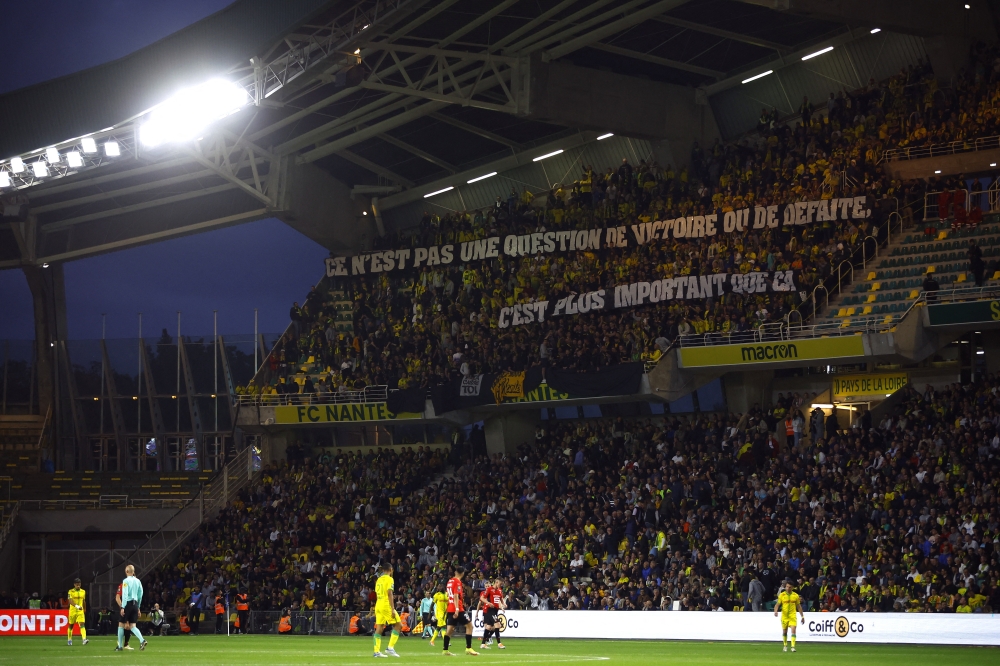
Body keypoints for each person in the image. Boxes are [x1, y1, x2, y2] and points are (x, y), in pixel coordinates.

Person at [443, 566, 478, 656]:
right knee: (470, 626)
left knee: (450, 630)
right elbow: (455, 595)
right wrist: (457, 609)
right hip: (457, 608)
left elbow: (448, 595)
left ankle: (445, 650)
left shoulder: (449, 581)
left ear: (455, 572)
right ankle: (468, 648)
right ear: (462, 573)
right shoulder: (457, 582)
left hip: (450, 608)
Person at [372, 561, 403, 658]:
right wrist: (393, 609)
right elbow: (390, 593)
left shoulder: (379, 579)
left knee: (379, 628)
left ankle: (376, 652)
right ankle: (390, 648)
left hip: (378, 604)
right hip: (386, 604)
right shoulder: (389, 579)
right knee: (399, 625)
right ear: (390, 570)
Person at [117, 564, 147, 652]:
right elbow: (140, 594)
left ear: (126, 571)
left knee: (121, 625)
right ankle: (142, 640)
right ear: (133, 572)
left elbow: (125, 594)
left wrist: (123, 607)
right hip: (135, 604)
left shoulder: (125, 581)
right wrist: (138, 607)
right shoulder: (138, 581)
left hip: (128, 604)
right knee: (133, 626)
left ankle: (120, 646)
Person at [774, 580, 805, 652]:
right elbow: (777, 604)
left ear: (792, 588)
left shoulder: (796, 596)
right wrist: (775, 611)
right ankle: (785, 645)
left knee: (793, 630)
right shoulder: (782, 595)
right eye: (787, 587)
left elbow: (799, 606)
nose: (788, 588)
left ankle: (793, 647)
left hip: (792, 615)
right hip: (784, 616)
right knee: (785, 632)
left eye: (790, 587)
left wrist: (802, 616)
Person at [478, 579, 506, 650]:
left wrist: (503, 604)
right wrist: (488, 603)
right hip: (489, 610)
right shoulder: (489, 589)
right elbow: (482, 598)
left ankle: (483, 644)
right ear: (496, 582)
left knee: (488, 627)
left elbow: (500, 599)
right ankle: (499, 644)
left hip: (495, 610)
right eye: (500, 584)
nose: (500, 585)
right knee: (498, 625)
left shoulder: (499, 590)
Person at [66, 578, 89, 646]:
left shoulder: (83, 591)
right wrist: (76, 606)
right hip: (73, 610)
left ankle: (84, 639)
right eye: (77, 584)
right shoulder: (70, 591)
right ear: (74, 584)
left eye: (79, 584)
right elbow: (70, 601)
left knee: (82, 624)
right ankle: (69, 640)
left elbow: (84, 601)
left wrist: (84, 609)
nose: (78, 586)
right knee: (71, 625)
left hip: (80, 611)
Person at [114, 584, 132, 650]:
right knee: (124, 625)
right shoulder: (123, 585)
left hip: (132, 608)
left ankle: (125, 644)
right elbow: (117, 597)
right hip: (125, 609)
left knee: (129, 626)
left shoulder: (135, 585)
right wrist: (122, 607)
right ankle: (120, 643)